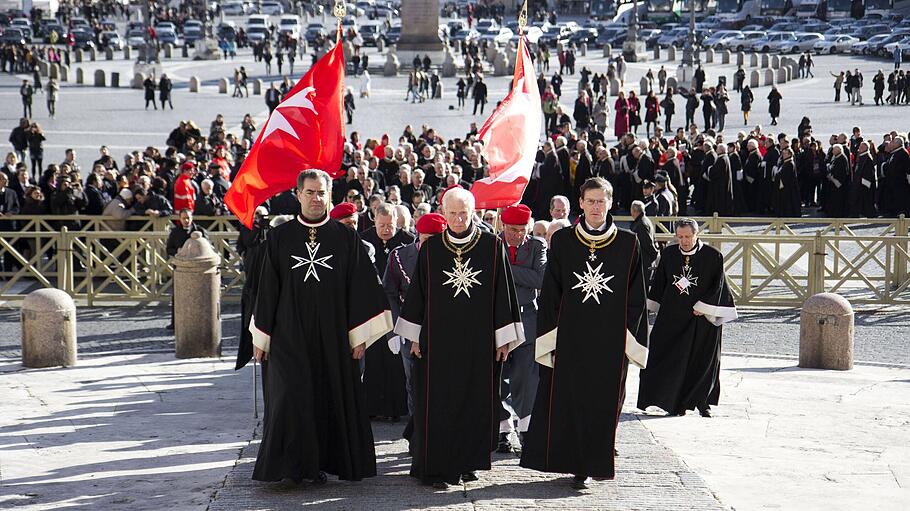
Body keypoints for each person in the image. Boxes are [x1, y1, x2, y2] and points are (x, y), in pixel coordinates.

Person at [249, 169, 393, 483]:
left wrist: (360, 336)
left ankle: (321, 466)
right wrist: (261, 338)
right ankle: (292, 467)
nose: (316, 199)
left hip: (335, 334)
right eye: (310, 192)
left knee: (330, 397)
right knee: (291, 396)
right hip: (289, 334)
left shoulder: (345, 237)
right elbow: (266, 289)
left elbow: (362, 288)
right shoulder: (279, 237)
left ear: (330, 195)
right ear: (298, 195)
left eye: (322, 193)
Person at [520, 177, 649, 490]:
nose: (595, 207)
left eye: (601, 201)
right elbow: (551, 294)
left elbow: (636, 298)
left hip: (609, 343)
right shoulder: (563, 241)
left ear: (610, 203)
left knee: (603, 404)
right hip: (572, 341)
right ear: (580, 203)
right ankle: (575, 464)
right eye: (590, 201)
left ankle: (595, 462)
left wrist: (630, 342)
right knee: (572, 402)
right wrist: (549, 339)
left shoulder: (628, 243)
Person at [393, 187, 523, 489]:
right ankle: (439, 465)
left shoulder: (492, 246)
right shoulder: (431, 248)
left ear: (474, 211)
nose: (459, 218)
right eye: (452, 213)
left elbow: (504, 292)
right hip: (437, 343)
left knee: (473, 403)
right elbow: (418, 297)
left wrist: (503, 337)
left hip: (478, 343)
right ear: (443, 212)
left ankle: (468, 462)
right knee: (439, 403)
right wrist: (414, 336)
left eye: (464, 212)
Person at [637, 218, 737, 418]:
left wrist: (705, 307)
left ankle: (702, 403)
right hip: (672, 318)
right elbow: (659, 283)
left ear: (697, 234)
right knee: (663, 357)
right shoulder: (669, 254)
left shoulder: (713, 256)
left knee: (700, 362)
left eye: (688, 237)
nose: (684, 241)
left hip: (701, 318)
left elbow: (719, 286)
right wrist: (650, 307)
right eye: (680, 237)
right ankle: (669, 402)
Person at [383, 212, 447, 417]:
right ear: (418, 235)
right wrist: (393, 330)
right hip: (408, 327)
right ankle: (417, 432)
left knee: (441, 382)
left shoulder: (451, 257)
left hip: (443, 327)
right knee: (414, 381)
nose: (433, 244)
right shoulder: (399, 256)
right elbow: (389, 293)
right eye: (428, 239)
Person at [496, 204, 547, 452]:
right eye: (512, 230)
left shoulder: (537, 245)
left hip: (528, 319)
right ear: (503, 226)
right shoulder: (493, 244)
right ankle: (504, 427)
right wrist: (521, 273)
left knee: (527, 375)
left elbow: (540, 279)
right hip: (497, 320)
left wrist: (504, 269)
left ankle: (526, 427)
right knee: (497, 377)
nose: (517, 235)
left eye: (522, 230)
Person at [361, 202, 413, 420]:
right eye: (381, 225)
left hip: (398, 309)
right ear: (375, 221)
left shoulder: (407, 241)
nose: (386, 229)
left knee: (397, 362)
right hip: (372, 310)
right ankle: (374, 408)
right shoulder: (363, 240)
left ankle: (398, 408)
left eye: (390, 225)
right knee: (374, 360)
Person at [629, 199, 658, 277]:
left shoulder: (641, 224)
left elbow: (647, 243)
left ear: (634, 211)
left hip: (644, 261)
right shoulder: (645, 220)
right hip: (645, 260)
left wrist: (654, 255)